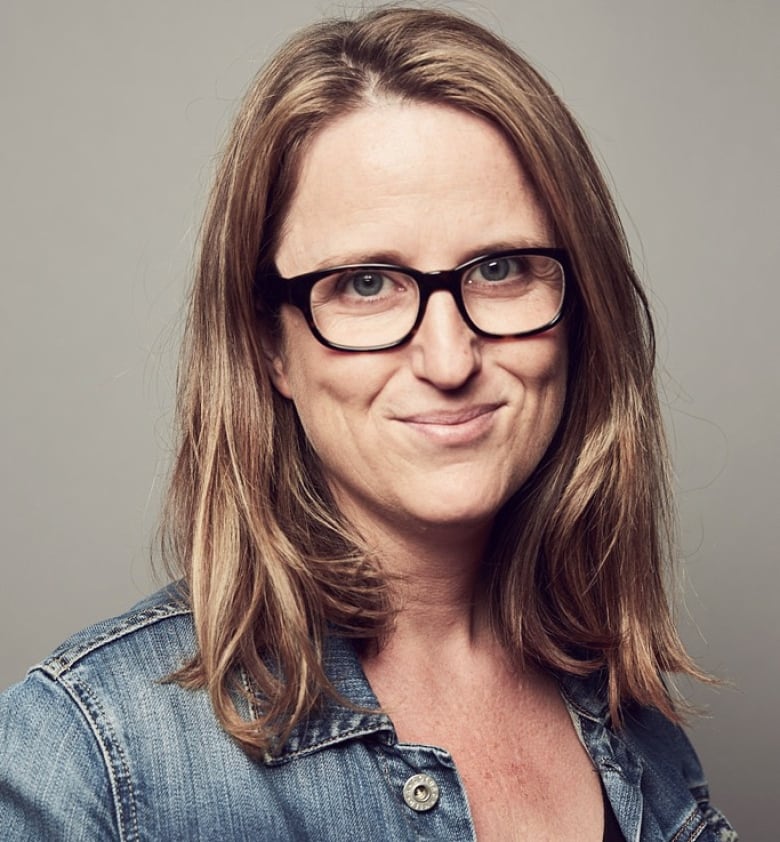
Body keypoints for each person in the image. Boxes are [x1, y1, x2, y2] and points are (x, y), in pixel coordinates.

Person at [0, 6, 737, 841]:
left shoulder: (630, 721)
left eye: (500, 269)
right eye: (364, 284)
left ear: (580, 308)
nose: (450, 359)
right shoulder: (85, 757)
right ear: (268, 344)